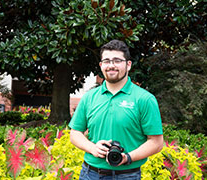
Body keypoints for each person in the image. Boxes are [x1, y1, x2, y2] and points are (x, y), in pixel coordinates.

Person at [68, 40, 163, 180]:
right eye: (106, 61)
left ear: (128, 65)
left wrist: (128, 157)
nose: (111, 65)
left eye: (117, 60)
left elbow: (156, 142)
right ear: (101, 65)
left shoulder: (145, 99)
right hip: (90, 174)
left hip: (127, 175)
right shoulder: (89, 97)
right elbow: (75, 133)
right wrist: (92, 148)